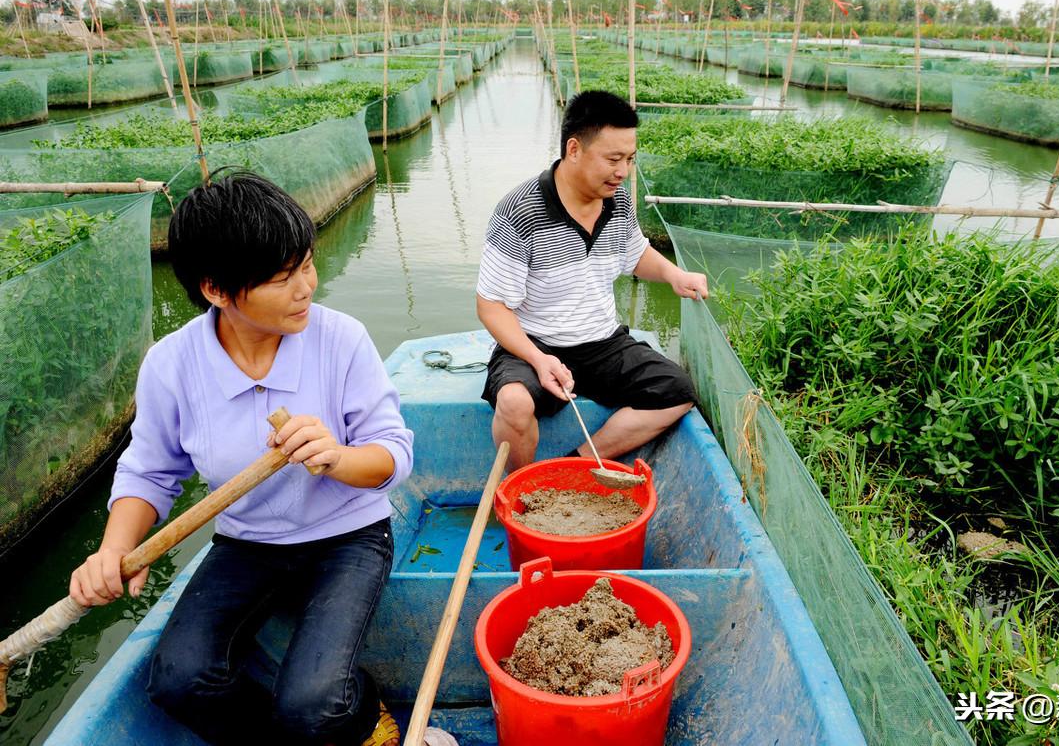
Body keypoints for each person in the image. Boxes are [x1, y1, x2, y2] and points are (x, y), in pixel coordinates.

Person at [68, 172, 453, 746]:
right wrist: (114, 550)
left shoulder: (340, 339)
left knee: (313, 704)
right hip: (247, 542)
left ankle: (362, 715)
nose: (306, 287)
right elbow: (151, 471)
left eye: (306, 265)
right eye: (282, 278)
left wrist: (337, 458)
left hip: (348, 536)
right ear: (217, 290)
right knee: (179, 681)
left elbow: (392, 456)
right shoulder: (172, 365)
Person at [476, 90, 709, 472]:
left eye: (630, 159)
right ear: (574, 149)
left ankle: (577, 463)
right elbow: (491, 306)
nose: (623, 172)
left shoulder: (617, 201)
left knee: (677, 392)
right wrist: (538, 358)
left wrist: (673, 274)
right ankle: (523, 485)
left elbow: (634, 254)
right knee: (515, 402)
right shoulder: (520, 210)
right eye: (613, 159)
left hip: (602, 342)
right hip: (534, 342)